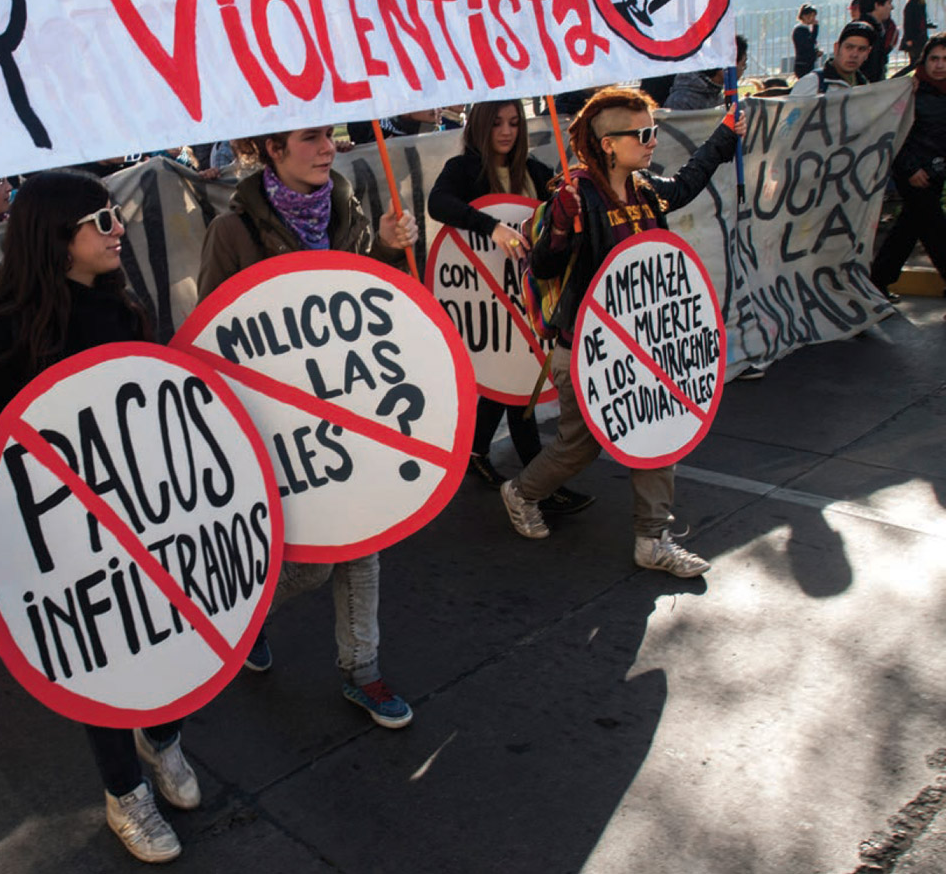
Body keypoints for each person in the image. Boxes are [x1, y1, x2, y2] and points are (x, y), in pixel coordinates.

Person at [0, 170, 198, 864]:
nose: (117, 227)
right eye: (101, 219)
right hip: (69, 545)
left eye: (115, 214)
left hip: (150, 522)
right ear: (56, 237)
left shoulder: (122, 309)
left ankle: (162, 741)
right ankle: (125, 793)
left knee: (170, 643)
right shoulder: (3, 338)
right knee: (103, 666)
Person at [197, 126, 419, 729]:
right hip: (279, 431)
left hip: (350, 417)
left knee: (362, 547)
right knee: (313, 563)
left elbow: (368, 307)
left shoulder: (346, 212)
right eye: (311, 138)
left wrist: (391, 254)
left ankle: (362, 672)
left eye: (331, 137)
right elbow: (211, 338)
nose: (328, 148)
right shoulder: (232, 231)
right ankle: (247, 615)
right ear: (271, 149)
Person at [497, 87, 747, 578]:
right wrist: (563, 227)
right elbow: (544, 263)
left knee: (658, 429)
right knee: (579, 446)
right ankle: (521, 492)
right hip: (587, 351)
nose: (652, 142)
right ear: (609, 143)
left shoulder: (644, 189)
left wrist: (723, 138)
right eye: (644, 134)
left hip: (642, 350)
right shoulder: (573, 195)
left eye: (653, 131)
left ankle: (652, 538)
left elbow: (687, 183)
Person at [427, 99, 594, 515]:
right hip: (484, 299)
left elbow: (558, 213)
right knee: (516, 385)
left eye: (515, 123)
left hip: (528, 296)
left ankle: (479, 453)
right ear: (481, 125)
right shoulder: (464, 169)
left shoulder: (535, 171)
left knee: (510, 382)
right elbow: (439, 204)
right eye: (498, 122)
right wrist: (491, 225)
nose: (506, 131)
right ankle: (538, 480)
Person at [869, 34, 946, 302]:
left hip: (936, 173)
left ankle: (877, 282)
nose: (939, 65)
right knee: (937, 231)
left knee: (909, 228)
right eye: (934, 58)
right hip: (912, 173)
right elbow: (897, 134)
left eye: (945, 59)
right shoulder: (911, 90)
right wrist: (911, 169)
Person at [665, 35, 747, 110]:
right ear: (724, 67)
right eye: (743, 65)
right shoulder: (681, 101)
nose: (744, 69)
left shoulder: (715, 95)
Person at [791, 21, 874, 95]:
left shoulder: (866, 88)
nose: (854, 54)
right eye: (849, 47)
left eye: (861, 49)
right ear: (836, 48)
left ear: (867, 53)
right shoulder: (812, 83)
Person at [855, 0, 897, 83]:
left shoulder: (878, 29)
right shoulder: (863, 31)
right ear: (877, 5)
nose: (892, 7)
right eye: (889, 2)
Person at [901, 0, 936, 68]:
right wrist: (909, 39)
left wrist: (929, 25)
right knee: (914, 64)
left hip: (922, 37)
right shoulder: (911, 5)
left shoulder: (922, 4)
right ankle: (895, 78)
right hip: (914, 39)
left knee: (922, 62)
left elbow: (921, 22)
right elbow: (908, 23)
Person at [792, 4, 821, 78]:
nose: (813, 18)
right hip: (803, 65)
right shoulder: (800, 30)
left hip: (809, 64)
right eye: (811, 15)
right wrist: (815, 29)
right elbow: (808, 44)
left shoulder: (806, 30)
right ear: (804, 16)